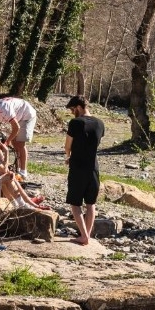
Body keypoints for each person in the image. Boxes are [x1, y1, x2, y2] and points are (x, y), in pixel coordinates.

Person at [64, 95, 105, 247]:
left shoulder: (75, 123)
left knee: (75, 203)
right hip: (93, 167)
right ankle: (85, 235)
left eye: (73, 109)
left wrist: (68, 156)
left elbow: (68, 145)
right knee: (90, 203)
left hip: (78, 166)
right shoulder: (100, 123)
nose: (72, 112)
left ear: (79, 107)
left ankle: (84, 236)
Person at [0, 96, 38, 178]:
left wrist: (7, 142)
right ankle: (17, 169)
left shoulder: (5, 110)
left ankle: (23, 171)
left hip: (27, 115)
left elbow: (16, 127)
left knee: (20, 144)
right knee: (15, 143)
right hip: (18, 115)